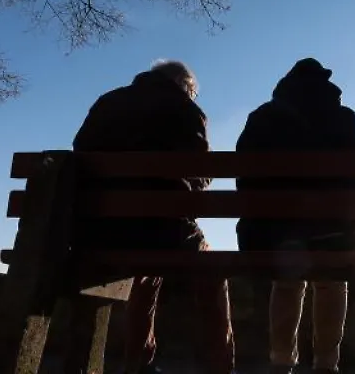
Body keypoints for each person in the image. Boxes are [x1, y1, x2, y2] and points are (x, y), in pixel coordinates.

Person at [72, 60, 235, 374]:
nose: (192, 97)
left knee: (147, 271)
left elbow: (80, 156)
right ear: (181, 83)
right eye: (192, 91)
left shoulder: (108, 103)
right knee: (211, 270)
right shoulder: (187, 111)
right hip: (165, 230)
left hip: (98, 232)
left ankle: (138, 364)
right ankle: (220, 365)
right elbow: (199, 177)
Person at [235, 58, 355, 374]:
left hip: (275, 232)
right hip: (334, 231)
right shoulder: (343, 116)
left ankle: (281, 361)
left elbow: (244, 178)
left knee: (287, 283)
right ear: (325, 83)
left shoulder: (262, 116)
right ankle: (327, 365)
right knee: (332, 280)